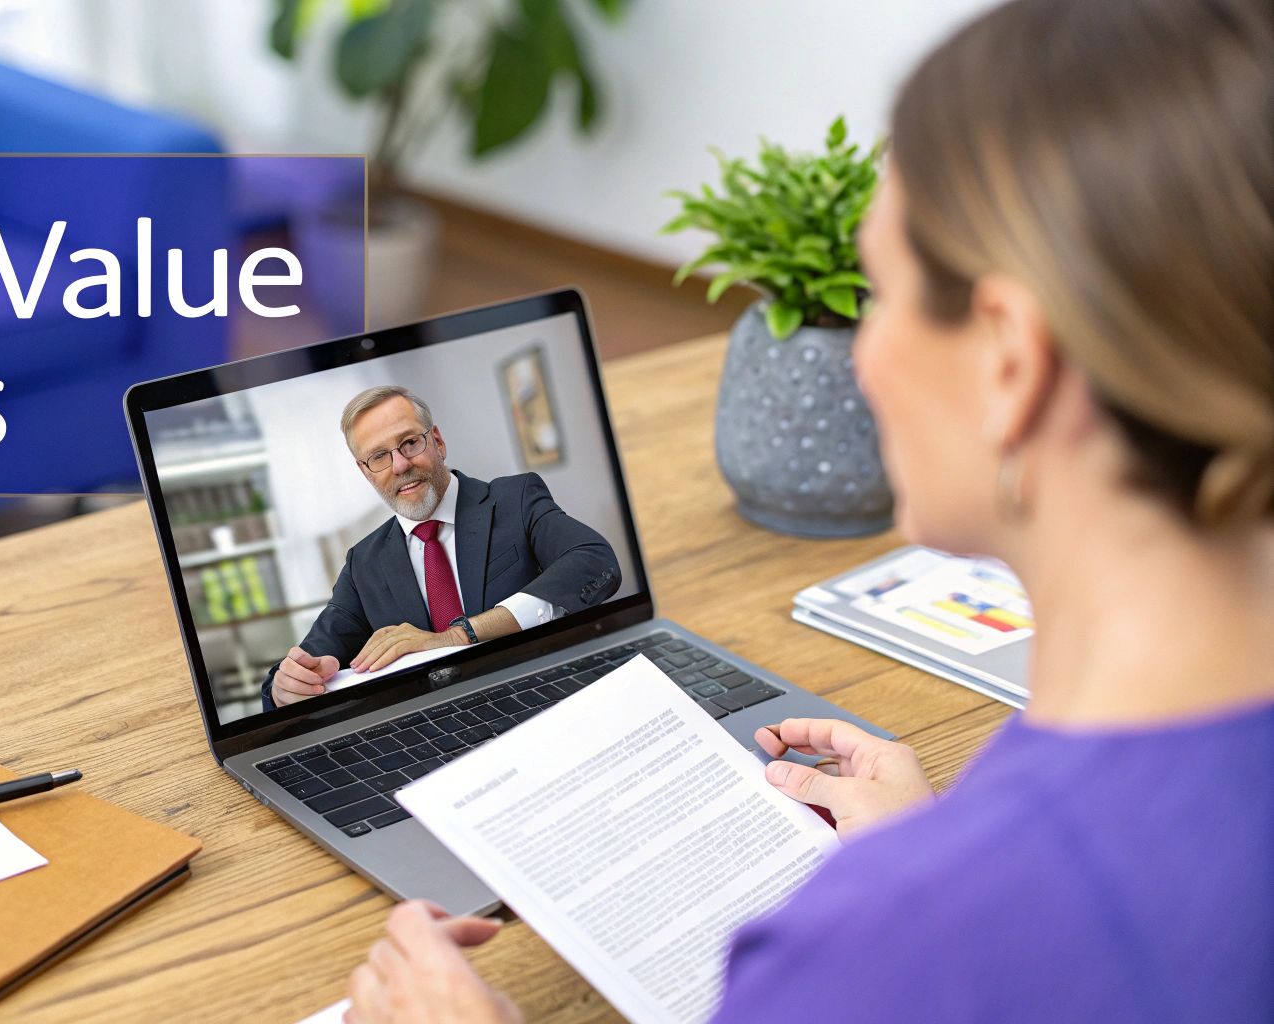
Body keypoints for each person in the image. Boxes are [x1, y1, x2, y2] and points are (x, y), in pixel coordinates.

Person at [340, 0, 1274, 1018]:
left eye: (877, 294)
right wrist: (929, 847)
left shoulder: (867, 948)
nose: (857, 356)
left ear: (1010, 359)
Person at [262, 385, 621, 711]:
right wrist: (286, 685)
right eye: (379, 457)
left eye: (409, 443)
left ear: (437, 441)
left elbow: (594, 562)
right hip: (438, 743)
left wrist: (456, 636)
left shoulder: (516, 498)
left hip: (546, 704)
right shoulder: (363, 564)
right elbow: (305, 661)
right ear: (366, 472)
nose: (400, 465)